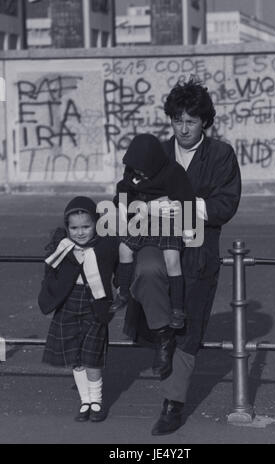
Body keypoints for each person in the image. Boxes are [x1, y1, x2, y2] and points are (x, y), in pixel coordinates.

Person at [123, 78, 242, 435]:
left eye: (191, 120)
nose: (184, 128)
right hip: (154, 243)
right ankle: (160, 335)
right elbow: (127, 195)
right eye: (177, 120)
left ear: (205, 121)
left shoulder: (221, 154)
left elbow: (226, 204)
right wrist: (143, 205)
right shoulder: (155, 151)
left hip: (198, 253)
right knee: (144, 275)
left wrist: (182, 205)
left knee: (188, 331)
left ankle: (172, 404)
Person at [38, 196, 118, 423]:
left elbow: (121, 265)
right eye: (74, 227)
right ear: (67, 227)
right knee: (75, 356)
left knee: (92, 356)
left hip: (95, 304)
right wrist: (50, 295)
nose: (80, 232)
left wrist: (122, 289)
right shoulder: (62, 246)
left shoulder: (106, 245)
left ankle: (97, 401)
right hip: (68, 303)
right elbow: (50, 272)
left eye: (86, 226)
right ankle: (84, 402)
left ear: (96, 224)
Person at [112, 134, 197, 344]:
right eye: (134, 168)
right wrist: (128, 209)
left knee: (172, 260)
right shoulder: (132, 172)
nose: (137, 173)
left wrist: (188, 229)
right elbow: (123, 192)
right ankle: (123, 292)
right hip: (142, 220)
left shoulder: (173, 173)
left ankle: (177, 309)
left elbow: (187, 199)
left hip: (168, 223)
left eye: (142, 169)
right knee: (124, 248)